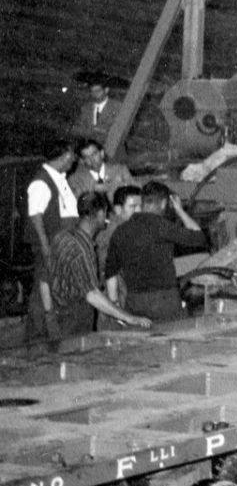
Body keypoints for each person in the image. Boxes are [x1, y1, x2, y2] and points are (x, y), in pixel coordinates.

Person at [48, 191, 151, 338]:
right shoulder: (81, 250)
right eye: (105, 213)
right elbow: (92, 294)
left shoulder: (62, 237)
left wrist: (49, 315)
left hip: (57, 314)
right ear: (101, 214)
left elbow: (45, 278)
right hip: (74, 319)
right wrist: (129, 318)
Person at [104, 180, 209, 321]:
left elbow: (110, 272)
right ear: (164, 203)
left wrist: (115, 305)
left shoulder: (120, 231)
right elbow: (199, 237)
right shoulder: (162, 226)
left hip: (134, 303)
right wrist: (179, 210)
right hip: (165, 303)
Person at [23, 136, 80, 343]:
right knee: (43, 289)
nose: (74, 159)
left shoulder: (59, 177)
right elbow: (35, 215)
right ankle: (36, 337)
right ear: (64, 156)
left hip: (61, 240)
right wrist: (45, 245)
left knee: (50, 289)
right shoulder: (41, 181)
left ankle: (46, 335)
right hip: (50, 242)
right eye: (72, 154)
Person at [69, 137, 131, 202]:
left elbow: (133, 189)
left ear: (102, 153)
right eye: (86, 157)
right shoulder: (75, 179)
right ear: (82, 161)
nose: (92, 159)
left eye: (94, 154)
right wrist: (93, 189)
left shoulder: (120, 170)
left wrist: (110, 186)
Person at [76, 73, 124, 139]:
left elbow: (119, 131)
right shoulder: (86, 108)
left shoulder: (117, 107)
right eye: (92, 91)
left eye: (98, 91)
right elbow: (77, 129)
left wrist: (94, 131)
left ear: (106, 90)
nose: (94, 94)